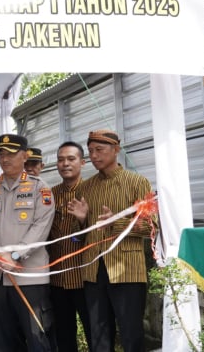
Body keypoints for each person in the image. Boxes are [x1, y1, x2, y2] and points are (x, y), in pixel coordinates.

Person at [69, 129, 155, 352]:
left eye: (99, 150)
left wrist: (116, 223)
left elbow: (151, 226)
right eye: (90, 151)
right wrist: (81, 220)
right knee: (98, 333)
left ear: (116, 150)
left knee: (131, 333)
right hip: (93, 270)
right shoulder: (86, 187)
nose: (94, 156)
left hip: (127, 270)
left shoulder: (137, 182)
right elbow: (84, 233)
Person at [0, 134, 56, 352]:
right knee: (1, 338)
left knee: (36, 337)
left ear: (25, 156)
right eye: (1, 153)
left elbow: (41, 227)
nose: (5, 158)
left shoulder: (40, 189)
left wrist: (14, 256)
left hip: (30, 277)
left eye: (11, 153)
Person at [48, 141, 92, 352]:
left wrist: (84, 221)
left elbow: (102, 233)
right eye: (60, 159)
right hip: (57, 279)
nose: (65, 163)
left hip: (85, 278)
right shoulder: (49, 195)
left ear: (82, 162)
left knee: (94, 332)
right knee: (63, 335)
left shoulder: (91, 191)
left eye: (71, 159)